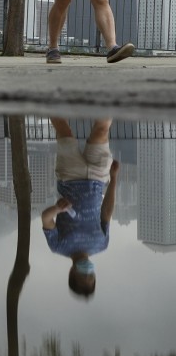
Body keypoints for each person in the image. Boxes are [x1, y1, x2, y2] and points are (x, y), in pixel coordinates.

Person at [41, 116, 119, 298]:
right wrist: (114, 178)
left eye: (82, 275)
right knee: (102, 129)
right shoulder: (102, 245)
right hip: (99, 178)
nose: (87, 272)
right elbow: (106, 213)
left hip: (70, 176)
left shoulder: (58, 246)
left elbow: (46, 219)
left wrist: (57, 209)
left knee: (64, 131)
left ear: (72, 273)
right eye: (90, 275)